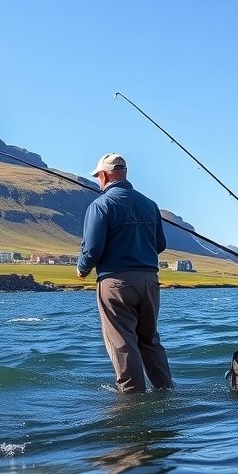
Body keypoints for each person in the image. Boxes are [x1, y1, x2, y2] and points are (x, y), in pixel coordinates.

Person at [76, 153, 173, 393]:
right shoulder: (150, 204)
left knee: (122, 343)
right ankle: (166, 391)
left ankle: (132, 399)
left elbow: (93, 248)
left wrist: (82, 268)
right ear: (124, 173)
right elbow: (160, 244)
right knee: (149, 340)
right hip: (150, 282)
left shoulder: (101, 205)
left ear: (104, 175)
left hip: (116, 281)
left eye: (98, 176)